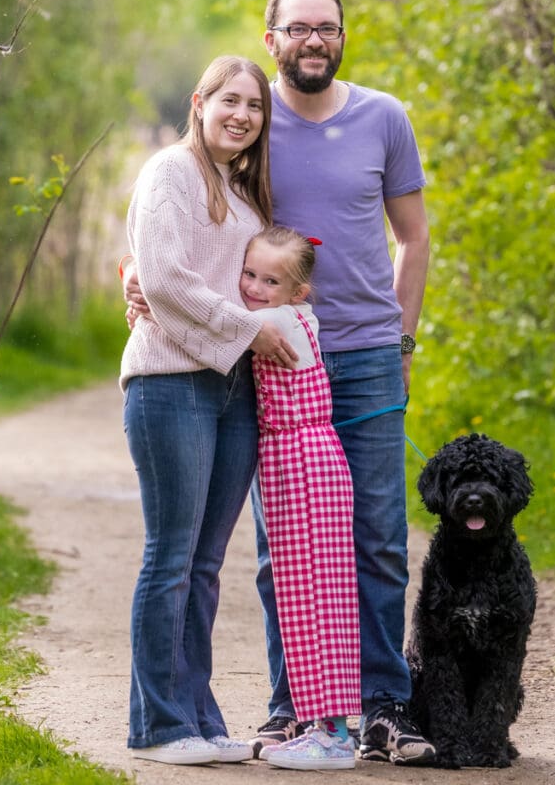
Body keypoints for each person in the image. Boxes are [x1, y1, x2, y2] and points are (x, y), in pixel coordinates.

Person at [128, 0, 434, 765]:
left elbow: (414, 238)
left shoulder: (382, 118)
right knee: (284, 545)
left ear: (342, 36)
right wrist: (134, 274)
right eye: (298, 27)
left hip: (362, 352)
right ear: (272, 39)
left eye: (327, 27)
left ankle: (381, 705)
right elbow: (188, 241)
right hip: (271, 356)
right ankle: (292, 706)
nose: (314, 40)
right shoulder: (243, 143)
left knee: (377, 536)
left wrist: (402, 341)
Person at [118, 55, 300, 766]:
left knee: (204, 564)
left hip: (231, 389)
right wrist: (251, 330)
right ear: (200, 102)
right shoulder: (171, 171)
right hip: (171, 384)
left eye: (254, 106)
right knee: (171, 557)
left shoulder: (242, 190)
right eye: (230, 100)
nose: (243, 115)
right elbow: (162, 275)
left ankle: (196, 714)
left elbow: (238, 279)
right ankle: (159, 726)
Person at [240, 226, 361, 770]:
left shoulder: (276, 320)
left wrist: (141, 285)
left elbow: (211, 318)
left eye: (271, 280)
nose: (255, 287)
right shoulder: (290, 315)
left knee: (318, 592)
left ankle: (334, 734)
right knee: (299, 590)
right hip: (296, 462)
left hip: (304, 460)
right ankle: (318, 723)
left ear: (297, 294)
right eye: (250, 274)